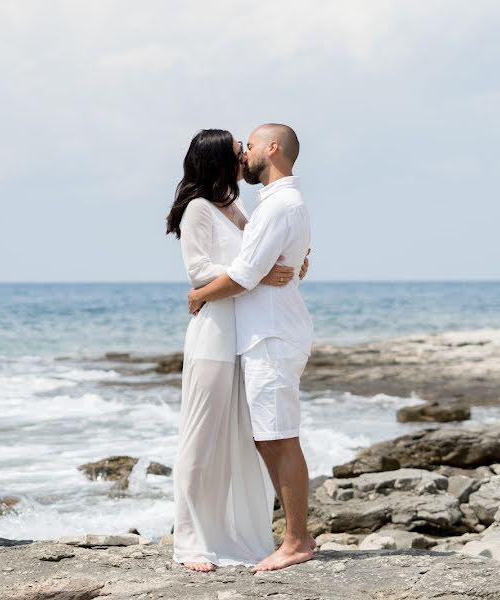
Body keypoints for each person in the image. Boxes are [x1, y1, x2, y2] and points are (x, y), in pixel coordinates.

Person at [187, 123, 315, 573]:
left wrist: (201, 295)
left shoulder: (279, 204)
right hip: (265, 334)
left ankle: (297, 540)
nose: (245, 154)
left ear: (273, 148)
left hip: (273, 335)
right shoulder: (271, 204)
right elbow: (268, 265)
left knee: (279, 437)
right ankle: (295, 534)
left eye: (252, 145)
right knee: (268, 438)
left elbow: (244, 272)